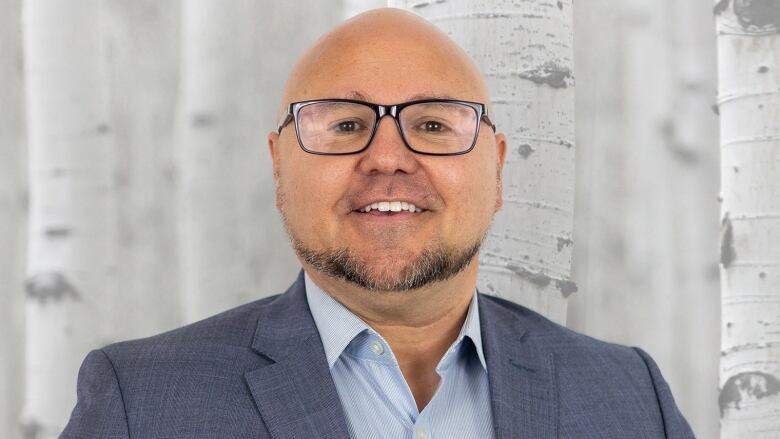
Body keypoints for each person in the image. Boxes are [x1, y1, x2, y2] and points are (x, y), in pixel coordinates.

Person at [61, 8, 695, 439]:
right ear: (280, 168)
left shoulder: (630, 395)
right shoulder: (140, 403)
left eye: (433, 125)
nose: (388, 158)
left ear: (497, 171)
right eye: (343, 125)